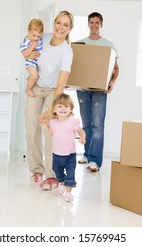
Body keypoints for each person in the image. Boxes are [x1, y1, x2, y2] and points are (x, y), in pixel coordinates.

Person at [24, 11, 74, 190]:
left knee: (51, 130)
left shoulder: (67, 51)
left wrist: (51, 109)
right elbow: (25, 47)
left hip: (54, 90)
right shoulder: (42, 38)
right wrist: (28, 55)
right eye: (59, 23)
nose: (61, 27)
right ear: (54, 23)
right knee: (31, 127)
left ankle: (52, 175)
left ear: (70, 29)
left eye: (66, 25)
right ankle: (37, 169)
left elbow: (61, 83)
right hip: (36, 87)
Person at [77, 12, 119, 172]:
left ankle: (95, 161)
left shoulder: (108, 45)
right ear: (88, 24)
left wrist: (112, 82)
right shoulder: (80, 44)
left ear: (101, 24)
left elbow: (116, 68)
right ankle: (87, 154)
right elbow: (76, 67)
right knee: (86, 124)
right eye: (91, 22)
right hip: (82, 89)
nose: (94, 25)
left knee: (97, 126)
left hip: (100, 90)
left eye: (97, 22)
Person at [40, 93, 86, 201]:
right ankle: (61, 182)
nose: (63, 109)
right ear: (54, 109)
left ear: (71, 109)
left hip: (70, 155)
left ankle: (68, 192)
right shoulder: (53, 122)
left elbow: (81, 131)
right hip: (56, 154)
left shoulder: (73, 122)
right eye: (59, 106)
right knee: (56, 170)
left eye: (66, 106)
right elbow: (50, 133)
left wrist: (83, 138)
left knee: (70, 173)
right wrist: (44, 125)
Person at [20, 18, 44, 97]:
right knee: (35, 76)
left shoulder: (39, 39)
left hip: (37, 62)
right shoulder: (26, 42)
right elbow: (24, 54)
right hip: (30, 62)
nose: (36, 38)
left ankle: (30, 78)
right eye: (34, 35)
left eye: (38, 36)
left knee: (36, 75)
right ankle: (28, 89)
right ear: (28, 31)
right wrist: (32, 47)